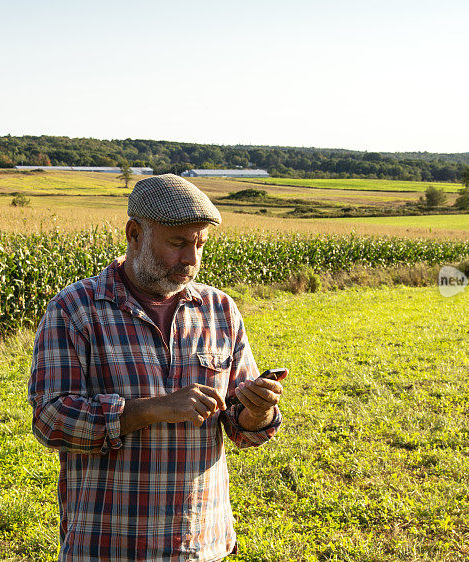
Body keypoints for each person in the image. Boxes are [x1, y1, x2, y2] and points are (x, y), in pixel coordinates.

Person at [29, 174, 284, 561]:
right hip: (109, 544)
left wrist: (257, 411)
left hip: (198, 542)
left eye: (200, 244)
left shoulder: (220, 311)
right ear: (135, 233)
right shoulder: (76, 310)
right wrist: (150, 409)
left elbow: (239, 427)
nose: (192, 259)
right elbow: (50, 421)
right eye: (178, 243)